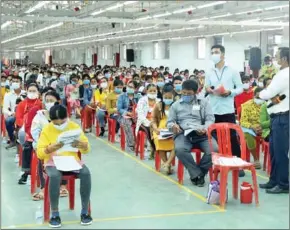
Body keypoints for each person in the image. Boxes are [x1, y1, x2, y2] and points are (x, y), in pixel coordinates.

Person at [37, 104, 92, 227]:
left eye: (62, 122)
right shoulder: (47, 129)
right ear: (51, 120)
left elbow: (87, 149)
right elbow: (39, 153)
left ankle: (84, 211)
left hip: (72, 161)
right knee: (55, 176)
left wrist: (83, 145)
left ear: (66, 117)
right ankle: (55, 213)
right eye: (56, 124)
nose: (59, 125)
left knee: (86, 173)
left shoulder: (74, 126)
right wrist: (48, 149)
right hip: (53, 161)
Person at [167, 80, 218, 186]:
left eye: (189, 94)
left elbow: (210, 119)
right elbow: (170, 122)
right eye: (183, 93)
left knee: (214, 150)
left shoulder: (204, 103)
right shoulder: (175, 105)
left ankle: (198, 174)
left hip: (201, 133)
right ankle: (198, 175)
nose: (185, 95)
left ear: (195, 92)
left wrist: (204, 128)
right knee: (180, 150)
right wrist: (173, 126)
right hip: (183, 133)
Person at [205, 45, 244, 177]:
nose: (213, 55)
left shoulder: (232, 70)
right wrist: (209, 90)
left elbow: (240, 88)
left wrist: (229, 92)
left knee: (232, 137)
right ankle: (218, 163)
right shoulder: (209, 71)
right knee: (214, 138)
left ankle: (238, 165)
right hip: (213, 108)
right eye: (212, 52)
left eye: (216, 52)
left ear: (222, 54)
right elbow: (206, 86)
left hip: (227, 109)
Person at [258, 47, 289, 194]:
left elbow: (267, 93)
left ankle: (283, 183)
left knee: (280, 152)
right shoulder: (282, 74)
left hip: (283, 117)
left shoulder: (284, 74)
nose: (275, 60)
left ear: (284, 59)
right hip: (278, 116)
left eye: (277, 56)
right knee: (274, 151)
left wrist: (262, 93)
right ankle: (274, 180)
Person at [30, 90, 68, 201]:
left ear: (58, 102)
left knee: (66, 152)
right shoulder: (39, 115)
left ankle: (62, 185)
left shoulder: (63, 114)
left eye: (52, 100)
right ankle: (43, 187)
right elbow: (34, 131)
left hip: (59, 145)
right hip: (43, 143)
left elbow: (67, 132)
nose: (49, 103)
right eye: (47, 101)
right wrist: (45, 143)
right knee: (42, 153)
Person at [16, 83, 42, 184]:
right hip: (25, 129)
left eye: (34, 91)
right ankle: (27, 172)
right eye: (30, 91)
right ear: (26, 91)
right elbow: (18, 119)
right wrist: (26, 125)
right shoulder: (22, 104)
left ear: (38, 92)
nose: (32, 93)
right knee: (27, 146)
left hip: (39, 129)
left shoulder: (41, 104)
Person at [151, 84, 175, 174]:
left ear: (173, 95)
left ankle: (167, 163)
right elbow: (153, 119)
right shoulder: (158, 105)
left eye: (170, 97)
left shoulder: (177, 105)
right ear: (162, 95)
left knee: (177, 142)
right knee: (158, 140)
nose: (168, 99)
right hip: (160, 129)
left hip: (173, 129)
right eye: (166, 97)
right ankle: (166, 164)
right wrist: (155, 128)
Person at [240, 87, 264, 169]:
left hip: (264, 127)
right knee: (247, 134)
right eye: (257, 97)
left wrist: (262, 126)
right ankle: (256, 159)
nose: (259, 99)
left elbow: (270, 119)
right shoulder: (247, 105)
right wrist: (252, 127)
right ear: (254, 96)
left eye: (261, 98)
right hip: (250, 127)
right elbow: (243, 121)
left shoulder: (267, 105)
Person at [136, 84, 159, 159]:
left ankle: (157, 149)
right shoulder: (142, 100)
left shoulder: (159, 101)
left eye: (154, 91)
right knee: (151, 128)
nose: (152, 92)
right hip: (144, 122)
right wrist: (149, 123)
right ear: (146, 91)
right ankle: (154, 149)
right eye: (150, 91)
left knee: (161, 129)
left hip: (156, 122)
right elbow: (140, 115)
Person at [117, 80, 137, 151]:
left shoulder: (138, 96)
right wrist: (128, 113)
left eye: (132, 87)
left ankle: (143, 145)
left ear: (135, 89)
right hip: (125, 115)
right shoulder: (122, 96)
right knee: (126, 122)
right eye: (129, 86)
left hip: (136, 115)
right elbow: (119, 109)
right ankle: (131, 144)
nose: (130, 88)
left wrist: (135, 114)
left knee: (144, 123)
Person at [259, 78, 272, 142]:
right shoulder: (264, 106)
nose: (271, 86)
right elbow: (262, 124)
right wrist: (274, 120)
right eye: (268, 84)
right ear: (265, 87)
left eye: (272, 84)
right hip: (268, 132)